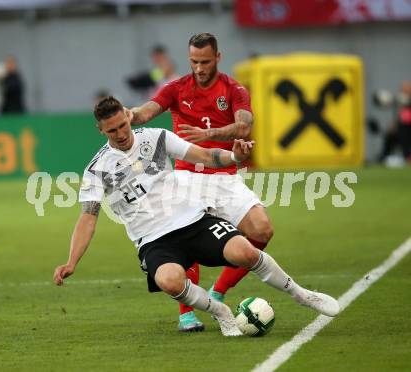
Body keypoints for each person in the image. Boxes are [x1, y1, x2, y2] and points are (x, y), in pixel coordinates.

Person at [53, 97, 340, 337]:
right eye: (112, 130)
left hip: (193, 221)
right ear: (101, 130)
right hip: (153, 240)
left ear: (129, 117)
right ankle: (221, 312)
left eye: (123, 125)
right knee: (169, 281)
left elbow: (204, 156)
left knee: (245, 252)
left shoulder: (156, 138)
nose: (121, 133)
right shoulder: (97, 169)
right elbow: (88, 218)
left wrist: (235, 158)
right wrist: (72, 261)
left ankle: (302, 295)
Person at [130, 33, 273, 332]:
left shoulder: (234, 89)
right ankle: (187, 314)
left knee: (261, 229)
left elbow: (245, 125)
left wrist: (208, 136)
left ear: (218, 58)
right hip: (186, 176)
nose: (199, 68)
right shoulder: (176, 88)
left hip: (223, 174)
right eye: (194, 61)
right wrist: (130, 116)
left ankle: (218, 291)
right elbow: (148, 111)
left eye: (205, 61)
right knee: (184, 234)